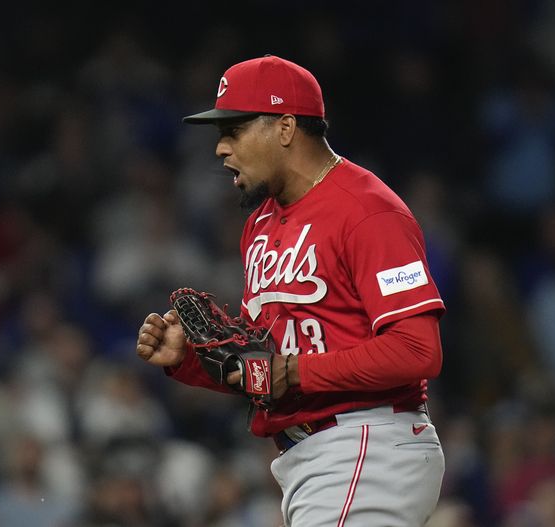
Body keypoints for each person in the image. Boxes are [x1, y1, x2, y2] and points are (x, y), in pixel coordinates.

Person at [136, 55, 447, 526]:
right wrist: (191, 362)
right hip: (312, 459)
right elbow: (266, 366)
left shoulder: (369, 211)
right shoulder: (259, 225)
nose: (220, 148)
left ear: (285, 127)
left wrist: (295, 370)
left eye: (233, 130)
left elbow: (417, 351)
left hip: (368, 442)